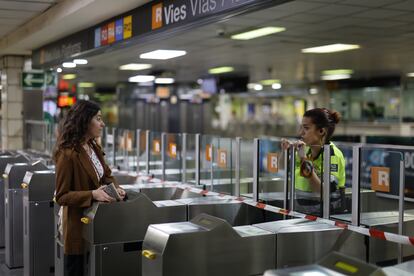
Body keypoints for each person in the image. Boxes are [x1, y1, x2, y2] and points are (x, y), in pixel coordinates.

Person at [54, 100, 126, 276]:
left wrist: (116, 188)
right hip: (78, 225)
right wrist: (93, 194)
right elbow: (61, 196)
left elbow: (106, 175)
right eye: (98, 119)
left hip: (98, 222)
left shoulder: (93, 146)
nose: (102, 124)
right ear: (85, 121)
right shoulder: (67, 153)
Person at [282, 108, 345, 215]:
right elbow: (281, 167)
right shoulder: (306, 149)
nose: (300, 132)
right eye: (301, 127)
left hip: (324, 218)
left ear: (321, 131)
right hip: (302, 214)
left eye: (306, 128)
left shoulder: (333, 155)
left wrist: (303, 159)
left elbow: (323, 192)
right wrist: (285, 151)